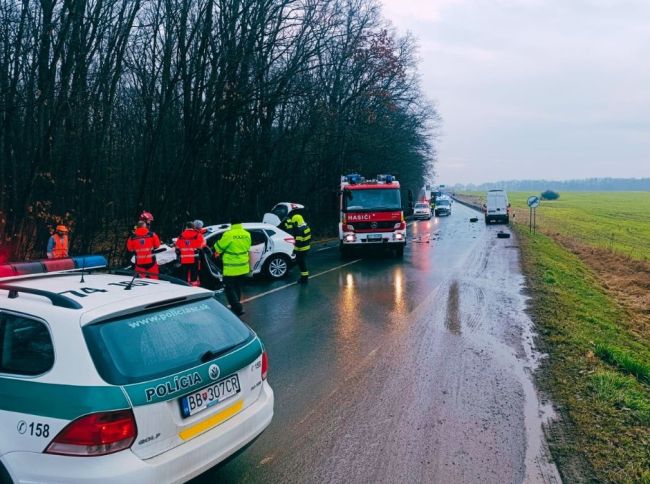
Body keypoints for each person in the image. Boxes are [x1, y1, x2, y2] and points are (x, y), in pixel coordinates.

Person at [214, 217, 251, 316]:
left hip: (231, 267)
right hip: (243, 266)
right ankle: (236, 306)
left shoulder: (228, 234)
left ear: (232, 224)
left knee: (229, 288)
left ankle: (238, 308)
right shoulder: (247, 234)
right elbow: (248, 247)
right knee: (237, 286)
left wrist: (217, 244)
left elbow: (219, 247)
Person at [285, 210, 311, 283]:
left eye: (294, 223)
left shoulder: (299, 230)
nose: (293, 224)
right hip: (306, 248)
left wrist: (294, 251)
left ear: (296, 222)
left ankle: (304, 279)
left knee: (301, 264)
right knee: (301, 263)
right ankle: (304, 278)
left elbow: (298, 243)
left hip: (301, 250)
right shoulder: (306, 227)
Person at [176, 221, 205, 286]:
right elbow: (200, 246)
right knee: (194, 274)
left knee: (184, 274)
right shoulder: (198, 235)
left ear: (186, 227)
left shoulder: (181, 236)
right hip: (194, 258)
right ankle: (194, 287)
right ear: (193, 227)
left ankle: (185, 287)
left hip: (184, 259)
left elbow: (177, 247)